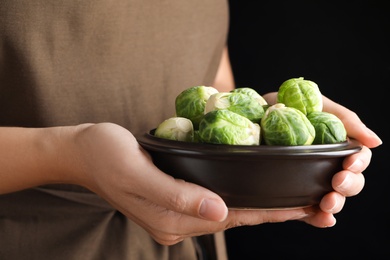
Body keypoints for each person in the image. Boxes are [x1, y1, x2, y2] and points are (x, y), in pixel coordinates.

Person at [0, 1, 382, 259]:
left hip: (188, 242)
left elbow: (216, 88)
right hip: (38, 241)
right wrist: (70, 155)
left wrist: (266, 123)